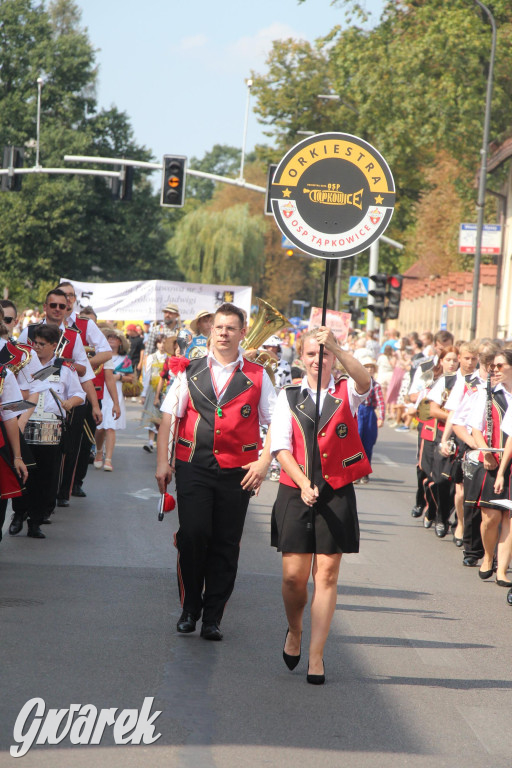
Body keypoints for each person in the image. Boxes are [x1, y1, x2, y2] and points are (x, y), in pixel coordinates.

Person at [155, 302, 276, 641]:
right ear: (210, 330)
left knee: (225, 543)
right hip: (194, 465)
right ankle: (189, 607)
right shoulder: (189, 370)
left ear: (242, 332)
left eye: (231, 328)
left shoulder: (258, 375)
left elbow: (276, 424)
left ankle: (212, 617)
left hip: (239, 471)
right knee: (193, 535)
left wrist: (264, 462)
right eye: (219, 327)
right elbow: (168, 418)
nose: (224, 333)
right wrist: (162, 462)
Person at [270, 326, 371, 684]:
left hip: (336, 492)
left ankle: (316, 656)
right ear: (301, 358)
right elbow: (280, 447)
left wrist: (339, 348)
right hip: (295, 490)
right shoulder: (288, 395)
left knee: (326, 575)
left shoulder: (346, 392)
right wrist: (302, 483)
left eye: (323, 353)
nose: (318, 360)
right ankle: (295, 631)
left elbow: (365, 380)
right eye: (311, 354)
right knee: (293, 578)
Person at [9, 324, 85, 538]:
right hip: (24, 426)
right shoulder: (23, 365)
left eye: (42, 344)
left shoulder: (64, 368)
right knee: (21, 474)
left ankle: (35, 521)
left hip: (50, 429)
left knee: (45, 478)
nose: (37, 347)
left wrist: (70, 403)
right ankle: (18, 514)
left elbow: (81, 394)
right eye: (34, 343)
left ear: (54, 345)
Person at [467, 349, 512, 586]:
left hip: (510, 461)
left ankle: (502, 570)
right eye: (493, 366)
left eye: (500, 365)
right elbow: (476, 429)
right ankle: (487, 556)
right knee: (490, 518)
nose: (495, 370)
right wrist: (486, 453)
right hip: (492, 459)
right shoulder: (486, 394)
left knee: (510, 517)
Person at [94, 328, 133, 472]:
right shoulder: (100, 355)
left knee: (111, 426)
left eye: (114, 338)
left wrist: (119, 377)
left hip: (115, 393)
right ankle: (99, 451)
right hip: (101, 392)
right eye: (109, 337)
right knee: (100, 427)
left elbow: (131, 377)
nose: (111, 340)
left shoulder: (125, 359)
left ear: (120, 342)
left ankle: (108, 459)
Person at [356, 357, 385, 482]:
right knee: (355, 443)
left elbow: (380, 402)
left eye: (371, 367)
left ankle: (365, 472)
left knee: (368, 444)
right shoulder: (356, 383)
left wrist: (381, 417)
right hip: (357, 413)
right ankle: (355, 472)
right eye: (366, 367)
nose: (369, 369)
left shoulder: (376, 386)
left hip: (369, 414)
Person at [140, 335, 167, 452]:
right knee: (152, 415)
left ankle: (161, 442)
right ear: (156, 344)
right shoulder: (151, 357)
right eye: (160, 342)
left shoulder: (169, 358)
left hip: (166, 389)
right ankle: (150, 442)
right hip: (153, 388)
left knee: (164, 417)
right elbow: (147, 376)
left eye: (164, 343)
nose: (162, 345)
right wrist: (143, 394)